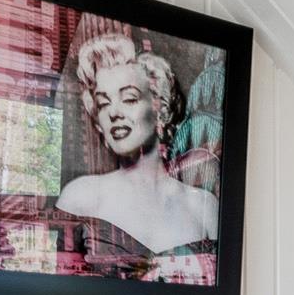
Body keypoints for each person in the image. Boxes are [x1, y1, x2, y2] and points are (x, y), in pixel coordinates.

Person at [55, 29, 217, 256]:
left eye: (129, 98)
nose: (114, 112)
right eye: (103, 103)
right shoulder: (80, 197)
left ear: (159, 109)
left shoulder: (204, 207)